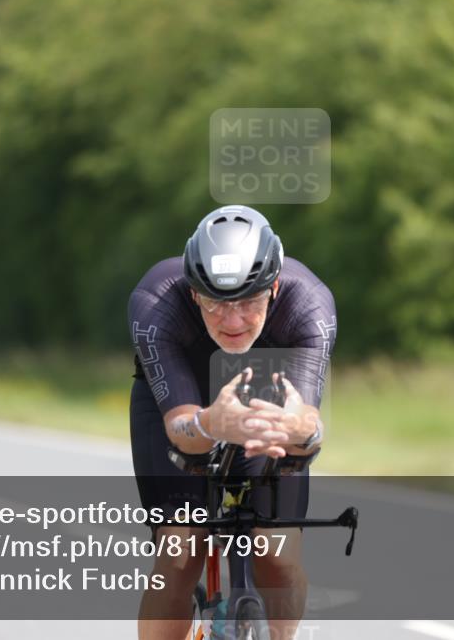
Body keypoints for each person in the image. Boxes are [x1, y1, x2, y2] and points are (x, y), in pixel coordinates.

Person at [128, 205, 336, 640]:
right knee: (179, 554)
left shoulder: (308, 304)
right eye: (215, 303)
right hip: (181, 402)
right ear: (193, 294)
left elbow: (306, 429)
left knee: (277, 554)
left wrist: (300, 431)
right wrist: (208, 425)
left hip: (266, 400)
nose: (233, 321)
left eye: (249, 302)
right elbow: (182, 431)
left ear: (275, 287)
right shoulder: (155, 302)